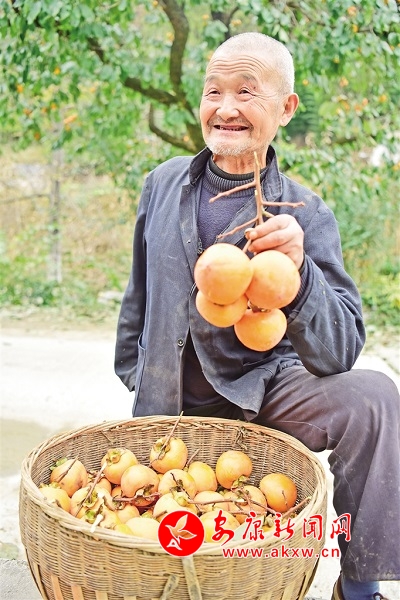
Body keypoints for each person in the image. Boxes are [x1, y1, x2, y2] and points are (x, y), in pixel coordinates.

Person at [115, 32, 400, 600]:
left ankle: (360, 586)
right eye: (213, 91)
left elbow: (341, 348)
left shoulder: (305, 212)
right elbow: (138, 294)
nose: (225, 108)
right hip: (171, 403)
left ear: (286, 108)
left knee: (374, 399)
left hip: (266, 392)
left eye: (246, 92)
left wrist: (299, 274)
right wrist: (137, 373)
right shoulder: (163, 184)